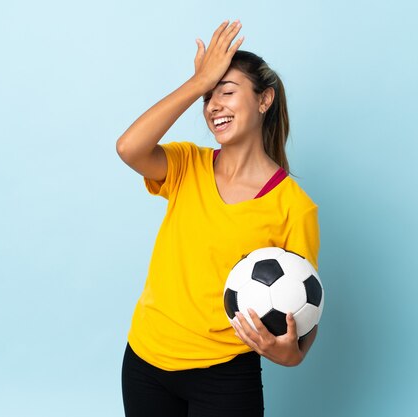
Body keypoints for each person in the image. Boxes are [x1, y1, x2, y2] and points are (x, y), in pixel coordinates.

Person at [116, 19, 320, 417]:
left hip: (224, 376)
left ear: (265, 100)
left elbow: (304, 313)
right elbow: (129, 148)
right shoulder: (186, 164)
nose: (213, 106)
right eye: (208, 98)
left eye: (226, 91)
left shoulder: (295, 207)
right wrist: (197, 82)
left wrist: (289, 355)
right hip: (145, 361)